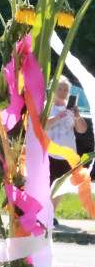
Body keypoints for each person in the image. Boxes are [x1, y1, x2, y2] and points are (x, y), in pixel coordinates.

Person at [46, 76, 88, 224]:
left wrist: (76, 116)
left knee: (61, 187)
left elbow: (82, 130)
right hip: (49, 153)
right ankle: (43, 213)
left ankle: (50, 214)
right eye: (60, 89)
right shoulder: (47, 106)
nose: (63, 92)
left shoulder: (71, 108)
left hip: (67, 154)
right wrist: (57, 117)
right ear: (53, 89)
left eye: (66, 89)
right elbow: (41, 126)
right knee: (47, 186)